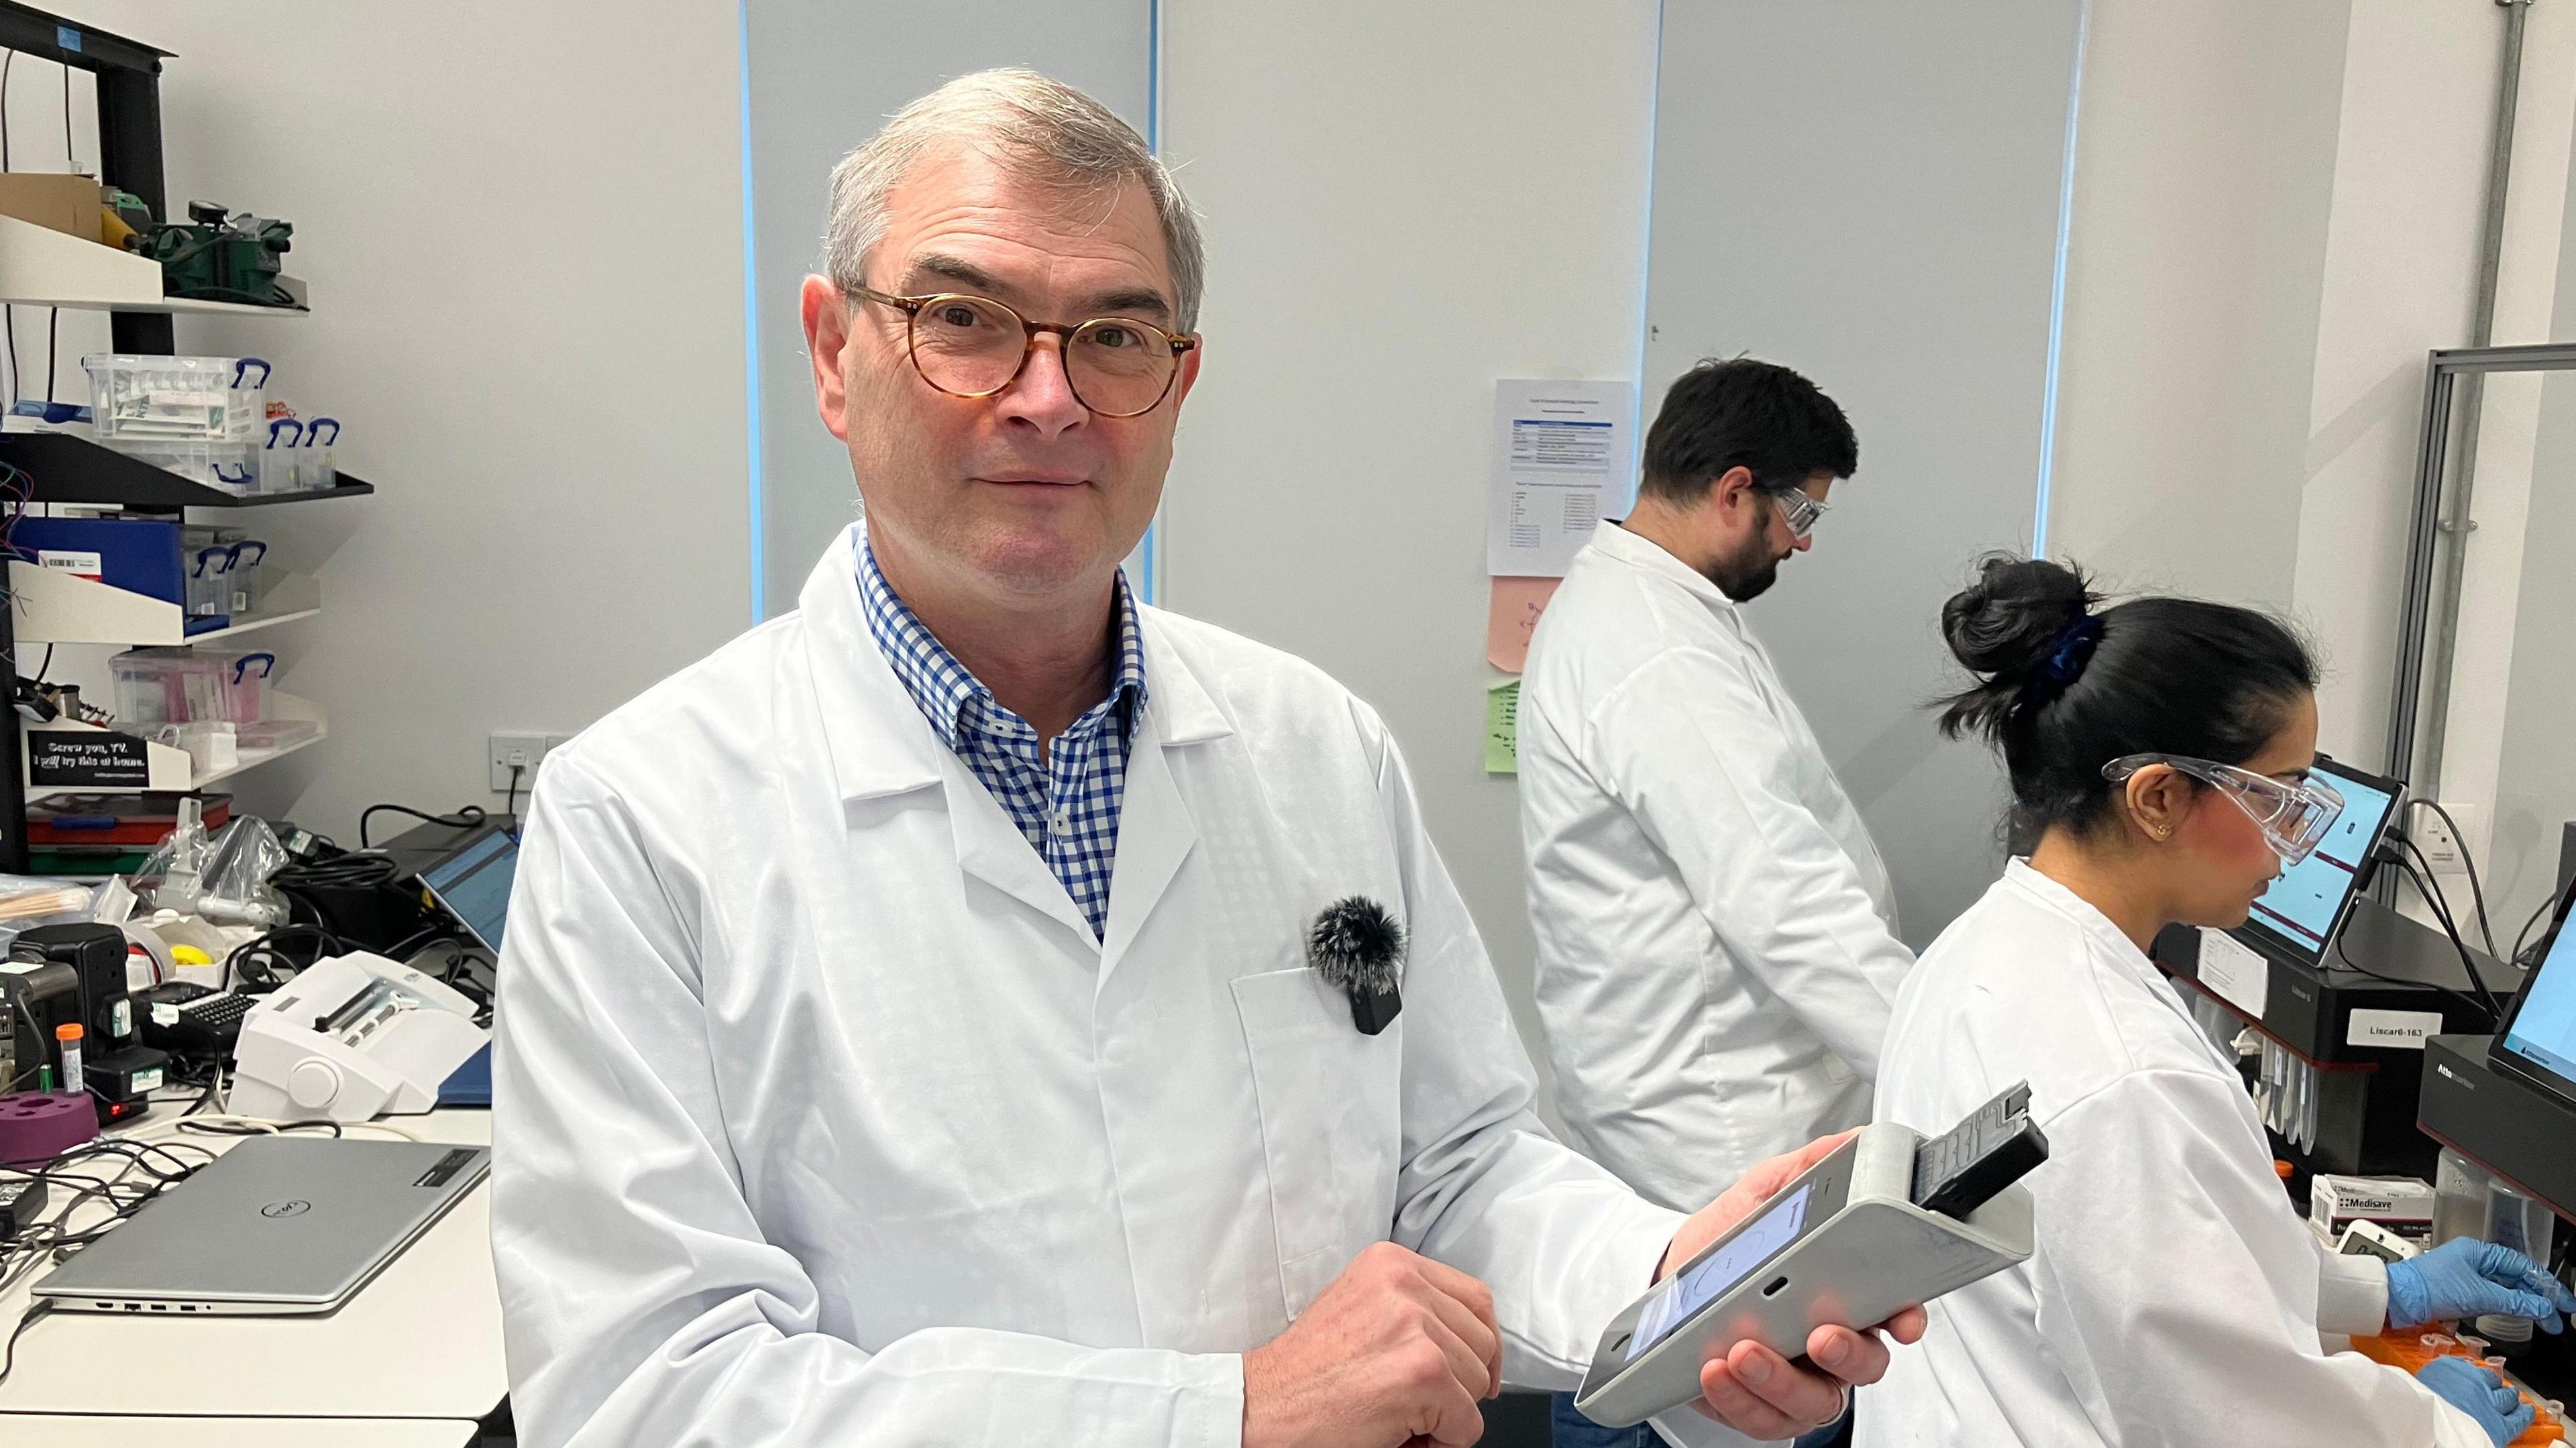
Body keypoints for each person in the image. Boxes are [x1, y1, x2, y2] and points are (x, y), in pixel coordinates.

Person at [489, 70, 1921, 1448]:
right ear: (830, 352)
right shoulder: (642, 819)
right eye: (964, 319)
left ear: (1177, 382)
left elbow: (1460, 1170)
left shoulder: (1316, 748)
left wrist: (1681, 1278)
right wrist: (1228, 1417)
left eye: (1115, 337)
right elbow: (646, 1397)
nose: (1049, 397)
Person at [1858, 556, 2576, 1447]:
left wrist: (2383, 1290)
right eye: (2281, 800)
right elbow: (2235, 1420)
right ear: (2160, 797)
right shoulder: (2125, 1073)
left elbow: (2173, 1277)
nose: (2296, 846)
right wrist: (2441, 1430)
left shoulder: (1978, 948)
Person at [1521, 361, 1913, 1447]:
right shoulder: (1652, 648)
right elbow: (1783, 901)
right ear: (1734, 488)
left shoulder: (1658, 612)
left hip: (1686, 1107)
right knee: (1682, 1405)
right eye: (1799, 513)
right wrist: (1953, 1049)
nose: (1802, 542)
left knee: (1640, 1391)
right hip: (1713, 1128)